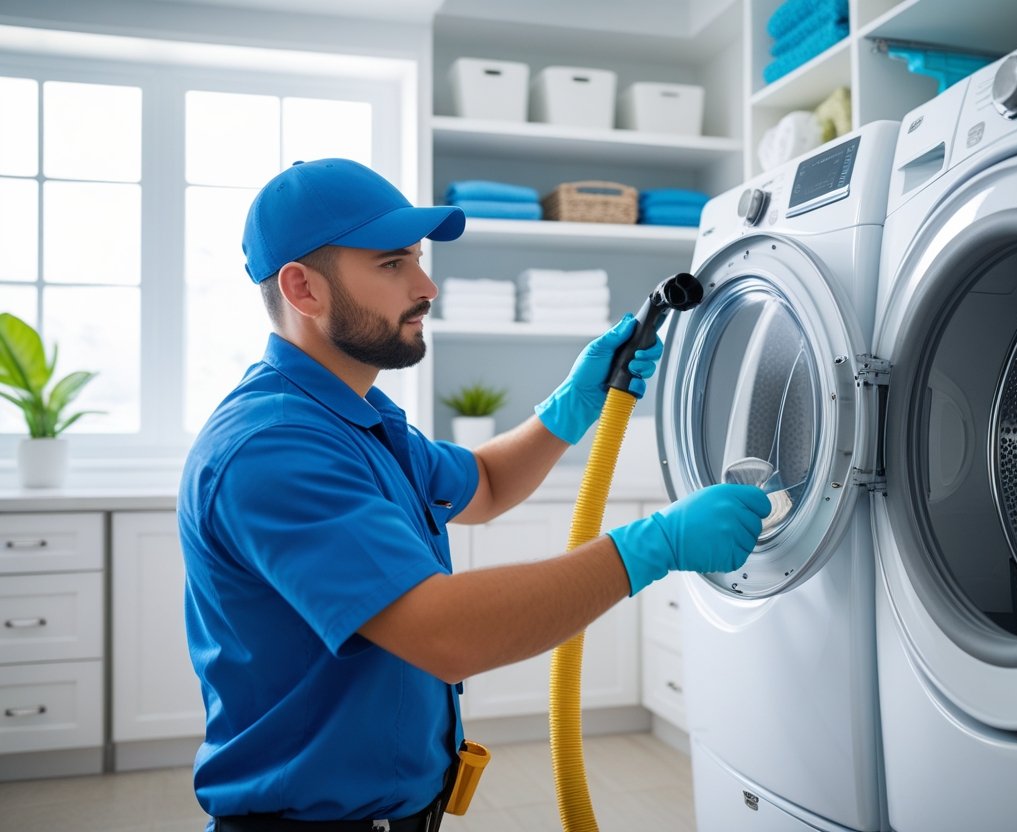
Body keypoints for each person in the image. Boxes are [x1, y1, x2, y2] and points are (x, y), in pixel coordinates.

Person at [177, 158, 770, 832]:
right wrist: (651, 548)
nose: (426, 286)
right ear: (302, 288)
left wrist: (568, 407)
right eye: (393, 264)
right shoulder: (274, 448)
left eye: (419, 261)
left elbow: (483, 486)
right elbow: (446, 633)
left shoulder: (363, 420)